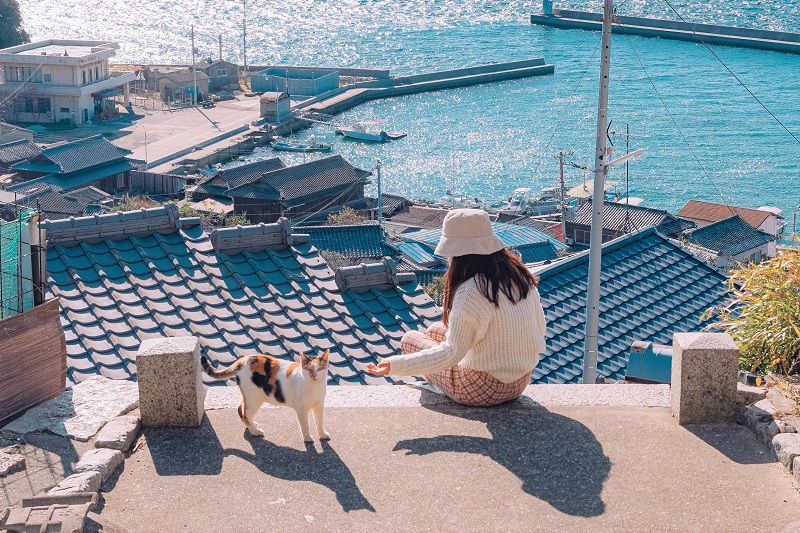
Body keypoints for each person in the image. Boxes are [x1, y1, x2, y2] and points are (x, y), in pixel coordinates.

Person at [366, 209, 547, 406]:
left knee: (410, 340)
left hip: (483, 389)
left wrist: (394, 365)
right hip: (520, 381)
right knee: (435, 331)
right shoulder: (520, 276)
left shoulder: (472, 289)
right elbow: (540, 328)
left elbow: (452, 353)